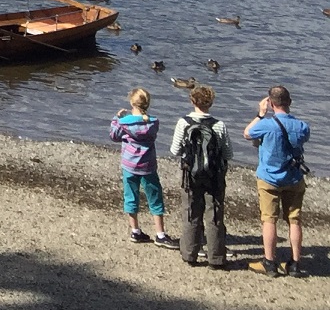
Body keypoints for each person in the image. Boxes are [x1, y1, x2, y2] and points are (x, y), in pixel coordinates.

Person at [244, 85, 311, 276]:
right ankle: (296, 263)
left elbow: (247, 133)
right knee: (294, 220)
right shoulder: (301, 126)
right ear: (289, 102)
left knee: (269, 220)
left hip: (269, 178)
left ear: (271, 103)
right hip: (293, 177)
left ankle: (270, 262)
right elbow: (303, 139)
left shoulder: (266, 124)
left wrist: (260, 114)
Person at [170, 83, 231, 270]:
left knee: (191, 212)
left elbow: (175, 150)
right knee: (215, 215)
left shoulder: (183, 123)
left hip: (190, 175)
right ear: (211, 102)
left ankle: (189, 254)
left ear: (192, 100)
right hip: (214, 176)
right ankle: (216, 258)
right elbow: (228, 154)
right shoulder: (219, 125)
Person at [111, 87, 171, 247]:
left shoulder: (124, 123)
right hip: (148, 165)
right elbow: (150, 132)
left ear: (132, 103)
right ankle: (160, 233)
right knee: (155, 197)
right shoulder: (153, 122)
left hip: (129, 165)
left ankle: (135, 230)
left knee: (131, 196)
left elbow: (114, 136)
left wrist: (116, 119)